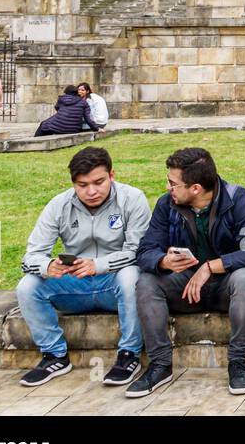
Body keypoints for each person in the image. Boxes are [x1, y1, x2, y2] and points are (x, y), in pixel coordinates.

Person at [127, 147, 245, 399]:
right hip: (185, 287)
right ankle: (160, 364)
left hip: (228, 286)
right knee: (146, 281)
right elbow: (145, 250)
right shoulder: (166, 205)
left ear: (195, 189)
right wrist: (163, 262)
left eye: (173, 183)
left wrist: (210, 266)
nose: (168, 187)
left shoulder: (236, 200)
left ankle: (238, 363)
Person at [15, 146, 150, 388]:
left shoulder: (133, 199)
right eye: (82, 185)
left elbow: (138, 252)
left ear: (112, 175)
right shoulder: (59, 205)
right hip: (74, 285)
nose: (91, 191)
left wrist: (97, 265)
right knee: (28, 286)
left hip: (115, 283)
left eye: (98, 182)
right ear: (73, 183)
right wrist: (48, 266)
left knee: (133, 276)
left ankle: (129, 354)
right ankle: (54, 355)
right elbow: (29, 257)